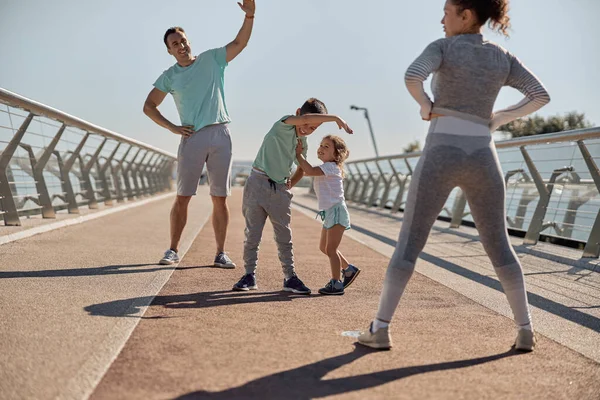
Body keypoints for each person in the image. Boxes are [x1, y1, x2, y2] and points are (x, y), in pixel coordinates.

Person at [358, 0, 550, 351]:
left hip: (441, 151)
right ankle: (525, 331)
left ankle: (380, 328)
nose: (441, 18)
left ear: (466, 15)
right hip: (483, 154)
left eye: (447, 11)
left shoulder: (443, 47)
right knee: (500, 246)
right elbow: (540, 96)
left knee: (409, 243)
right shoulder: (501, 56)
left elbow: (412, 76)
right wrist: (497, 119)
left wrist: (425, 104)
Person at [143, 0, 256, 267]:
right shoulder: (169, 76)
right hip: (191, 138)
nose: (180, 46)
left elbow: (240, 43)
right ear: (169, 51)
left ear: (188, 41)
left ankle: (220, 253)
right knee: (183, 196)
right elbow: (149, 106)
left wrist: (250, 15)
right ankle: (172, 250)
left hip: (220, 134)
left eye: (182, 41)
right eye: (174, 44)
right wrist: (172, 127)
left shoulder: (212, 59)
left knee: (220, 197)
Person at [233, 99, 353, 294]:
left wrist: (290, 185)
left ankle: (290, 277)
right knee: (252, 234)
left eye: (314, 128)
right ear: (298, 114)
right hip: (257, 182)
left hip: (279, 189)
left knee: (284, 236)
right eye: (306, 124)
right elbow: (304, 118)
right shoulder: (283, 125)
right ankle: (249, 275)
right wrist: (335, 118)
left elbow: (302, 169)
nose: (307, 129)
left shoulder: (301, 144)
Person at [295, 135, 360, 295]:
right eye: (321, 145)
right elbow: (306, 172)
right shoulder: (324, 168)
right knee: (324, 248)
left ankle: (336, 283)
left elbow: (308, 170)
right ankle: (349, 269)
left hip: (336, 211)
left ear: (336, 155)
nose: (321, 148)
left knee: (331, 249)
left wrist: (298, 155)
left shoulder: (332, 167)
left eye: (326, 147)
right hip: (330, 212)